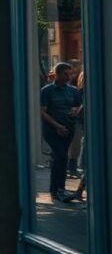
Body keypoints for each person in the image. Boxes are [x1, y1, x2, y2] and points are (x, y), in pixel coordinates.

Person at [39, 61, 83, 203]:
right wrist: (57, 125)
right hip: (52, 130)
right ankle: (60, 189)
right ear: (57, 74)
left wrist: (76, 111)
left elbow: (79, 105)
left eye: (70, 74)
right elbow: (42, 112)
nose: (69, 77)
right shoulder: (46, 91)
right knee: (61, 156)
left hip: (68, 129)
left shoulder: (73, 91)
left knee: (58, 157)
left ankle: (55, 189)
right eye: (65, 74)